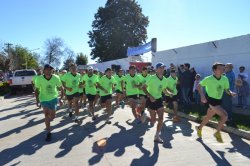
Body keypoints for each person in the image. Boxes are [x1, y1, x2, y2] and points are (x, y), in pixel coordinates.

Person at [196, 62, 236, 143]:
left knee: (208, 117)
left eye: (223, 68)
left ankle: (199, 128)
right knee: (225, 115)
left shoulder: (225, 79)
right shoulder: (208, 79)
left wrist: (231, 93)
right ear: (214, 70)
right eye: (220, 68)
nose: (222, 70)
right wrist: (202, 96)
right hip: (210, 100)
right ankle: (217, 132)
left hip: (218, 100)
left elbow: (227, 90)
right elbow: (199, 86)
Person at [143, 62, 172, 143]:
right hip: (151, 100)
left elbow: (164, 90)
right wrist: (150, 96)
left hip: (159, 99)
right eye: (160, 68)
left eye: (163, 68)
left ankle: (157, 136)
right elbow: (143, 88)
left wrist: (169, 93)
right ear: (156, 69)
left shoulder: (165, 80)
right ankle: (145, 116)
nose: (162, 69)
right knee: (153, 121)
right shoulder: (151, 78)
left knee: (161, 118)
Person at [35, 64, 64, 141]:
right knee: (46, 114)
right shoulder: (39, 78)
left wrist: (61, 99)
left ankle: (49, 121)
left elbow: (61, 88)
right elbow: (36, 90)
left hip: (53, 98)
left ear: (52, 70)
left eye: (50, 69)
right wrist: (37, 101)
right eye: (47, 69)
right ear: (43, 71)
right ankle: (48, 132)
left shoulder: (56, 77)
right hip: (43, 99)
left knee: (53, 116)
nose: (48, 71)